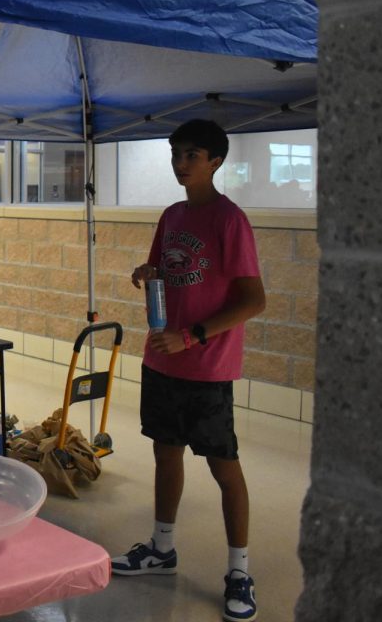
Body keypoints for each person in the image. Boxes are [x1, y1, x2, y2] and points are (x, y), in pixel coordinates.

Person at [109, 119, 265, 622]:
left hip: (206, 366)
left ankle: (239, 570)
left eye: (192, 155)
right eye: (176, 153)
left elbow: (253, 300)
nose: (181, 163)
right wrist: (145, 273)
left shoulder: (229, 220)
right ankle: (161, 547)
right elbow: (161, 267)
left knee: (224, 468)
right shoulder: (173, 215)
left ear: (215, 161)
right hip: (162, 359)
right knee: (166, 455)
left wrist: (193, 335)